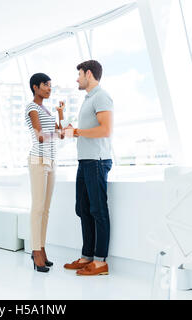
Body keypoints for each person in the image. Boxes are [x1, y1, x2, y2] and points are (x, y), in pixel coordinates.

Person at [63, 60, 114, 276]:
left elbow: (105, 130)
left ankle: (101, 262)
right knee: (83, 209)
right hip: (85, 161)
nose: (77, 78)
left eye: (80, 74)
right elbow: (86, 130)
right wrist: (74, 131)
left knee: (98, 210)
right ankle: (87, 257)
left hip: (97, 160)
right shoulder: (88, 99)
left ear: (89, 74)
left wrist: (77, 132)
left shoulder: (102, 96)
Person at [25, 73, 65, 273]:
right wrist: (56, 133)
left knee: (46, 210)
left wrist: (60, 114)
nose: (49, 89)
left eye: (50, 85)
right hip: (38, 160)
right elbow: (40, 136)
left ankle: (41, 248)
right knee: (38, 208)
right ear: (35, 87)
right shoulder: (32, 108)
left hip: (51, 160)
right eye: (45, 85)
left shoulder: (47, 110)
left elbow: (61, 133)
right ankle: (35, 251)